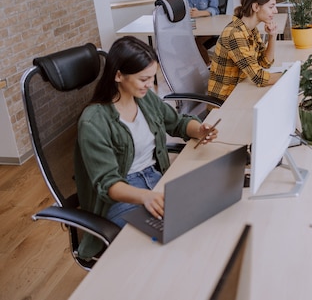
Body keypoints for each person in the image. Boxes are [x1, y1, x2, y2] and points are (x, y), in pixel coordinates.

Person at [74, 36, 218, 259]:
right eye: (144, 79)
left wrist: (199, 130)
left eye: (153, 78)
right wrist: (144, 197)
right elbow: (108, 184)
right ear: (118, 75)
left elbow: (177, 123)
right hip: (121, 196)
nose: (150, 85)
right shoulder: (93, 122)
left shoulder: (145, 98)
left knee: (206, 216)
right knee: (168, 246)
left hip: (156, 178)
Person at [207, 0, 283, 103]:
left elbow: (264, 63)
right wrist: (292, 77)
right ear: (256, 7)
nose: (276, 11)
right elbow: (258, 77)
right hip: (225, 102)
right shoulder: (234, 34)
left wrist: (272, 36)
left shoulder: (251, 29)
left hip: (240, 90)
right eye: (271, 6)